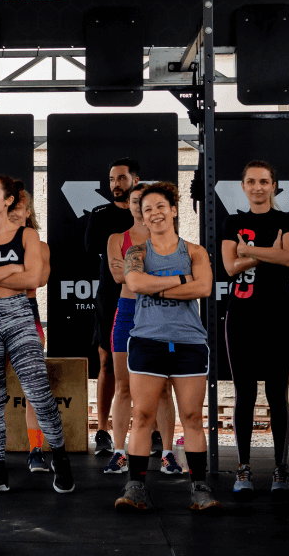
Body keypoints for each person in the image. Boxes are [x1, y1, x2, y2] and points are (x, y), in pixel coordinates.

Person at [0, 174, 75, 495]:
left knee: (38, 392)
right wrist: (12, 269)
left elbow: (33, 280)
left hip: (20, 315)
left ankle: (60, 457)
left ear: (9, 200)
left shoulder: (28, 236)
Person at [115, 182, 221, 513]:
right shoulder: (137, 252)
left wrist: (156, 287)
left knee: (191, 417)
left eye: (160, 206)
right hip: (148, 341)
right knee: (142, 415)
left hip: (189, 342)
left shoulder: (195, 252)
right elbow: (135, 282)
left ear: (173, 210)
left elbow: (204, 288)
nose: (154, 213)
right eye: (147, 209)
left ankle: (199, 488)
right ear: (142, 217)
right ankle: (135, 488)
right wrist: (181, 281)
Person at [220, 161, 289, 498]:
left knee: (277, 395)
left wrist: (248, 250)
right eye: (251, 181)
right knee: (245, 395)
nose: (258, 187)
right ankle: (243, 468)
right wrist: (269, 252)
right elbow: (229, 266)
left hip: (278, 318)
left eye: (264, 181)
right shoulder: (232, 222)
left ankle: (281, 469)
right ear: (243, 186)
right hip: (241, 319)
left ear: (274, 186)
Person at [106, 183, 180, 477]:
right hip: (127, 312)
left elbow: (172, 275)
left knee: (163, 387)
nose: (139, 206)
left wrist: (135, 273)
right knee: (123, 386)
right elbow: (117, 277)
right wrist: (154, 274)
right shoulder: (117, 238)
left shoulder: (168, 239)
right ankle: (119, 452)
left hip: (160, 313)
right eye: (135, 201)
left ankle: (168, 454)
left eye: (145, 201)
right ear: (129, 204)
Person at [84, 157, 140, 456]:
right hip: (110, 296)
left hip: (145, 298)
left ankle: (152, 431)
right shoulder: (101, 214)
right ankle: (103, 431)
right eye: (111, 179)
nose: (115, 184)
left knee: (148, 364)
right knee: (105, 362)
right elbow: (92, 247)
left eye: (121, 178)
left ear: (134, 179)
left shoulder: (149, 213)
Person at [7, 185, 54, 473]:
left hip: (27, 315)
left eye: (18, 206)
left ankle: (35, 450)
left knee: (34, 388)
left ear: (28, 211)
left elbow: (36, 281)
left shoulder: (40, 246)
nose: (13, 211)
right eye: (8, 205)